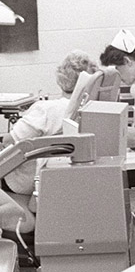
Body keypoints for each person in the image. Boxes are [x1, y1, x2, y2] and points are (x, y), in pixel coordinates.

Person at [1, 50, 98, 198]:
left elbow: (9, 141)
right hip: (54, 178)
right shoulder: (87, 109)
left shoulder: (46, 110)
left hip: (22, 182)